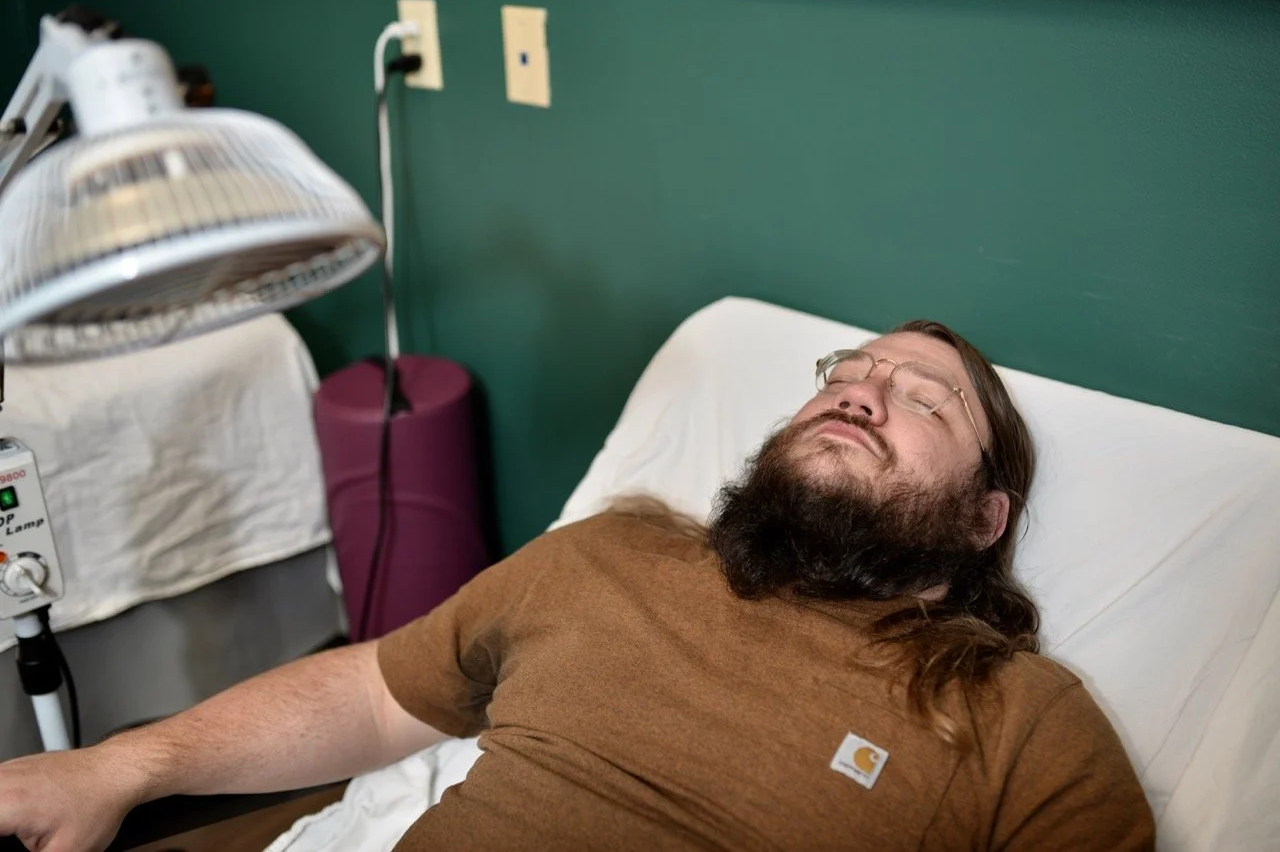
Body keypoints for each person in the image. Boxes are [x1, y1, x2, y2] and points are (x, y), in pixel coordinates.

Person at [0, 320, 1155, 852]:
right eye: (843, 372)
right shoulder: (612, 558)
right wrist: (117, 767)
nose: (859, 390)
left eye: (922, 397)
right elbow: (372, 695)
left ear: (982, 520)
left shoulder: (1017, 722)